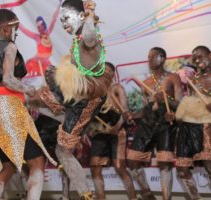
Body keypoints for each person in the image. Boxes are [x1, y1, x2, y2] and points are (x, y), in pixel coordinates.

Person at [29, 0, 112, 199]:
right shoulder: (77, 38)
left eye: (66, 18)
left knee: (63, 151)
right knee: (34, 98)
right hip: (76, 98)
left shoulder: (87, 35)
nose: (63, 22)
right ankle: (85, 193)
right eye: (62, 19)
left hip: (85, 100)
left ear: (80, 17)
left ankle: (86, 195)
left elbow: (91, 38)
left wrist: (90, 13)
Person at [0, 8, 56, 200]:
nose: (14, 33)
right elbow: (9, 79)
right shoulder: (9, 46)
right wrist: (28, 89)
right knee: (37, 161)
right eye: (13, 29)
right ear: (3, 28)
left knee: (7, 167)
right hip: (8, 108)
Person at [125, 47, 183, 200]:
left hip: (165, 124)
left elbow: (180, 104)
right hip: (147, 124)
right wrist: (133, 115)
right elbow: (146, 110)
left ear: (162, 58)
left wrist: (166, 101)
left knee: (164, 163)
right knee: (132, 161)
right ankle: (147, 195)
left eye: (152, 57)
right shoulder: (146, 83)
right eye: (148, 57)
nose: (149, 60)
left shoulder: (173, 78)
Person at [88, 62, 137, 200]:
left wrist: (118, 126)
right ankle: (101, 197)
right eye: (103, 71)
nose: (106, 73)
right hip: (99, 132)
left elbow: (125, 111)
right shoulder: (94, 92)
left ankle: (133, 197)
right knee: (95, 167)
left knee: (119, 167)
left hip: (117, 132)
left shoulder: (117, 88)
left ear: (113, 74)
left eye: (109, 71)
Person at [179, 45, 211, 192]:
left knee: (209, 164)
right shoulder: (193, 79)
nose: (197, 60)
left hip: (208, 127)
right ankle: (194, 196)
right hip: (192, 126)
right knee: (185, 167)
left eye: (201, 57)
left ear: (210, 56)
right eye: (195, 58)